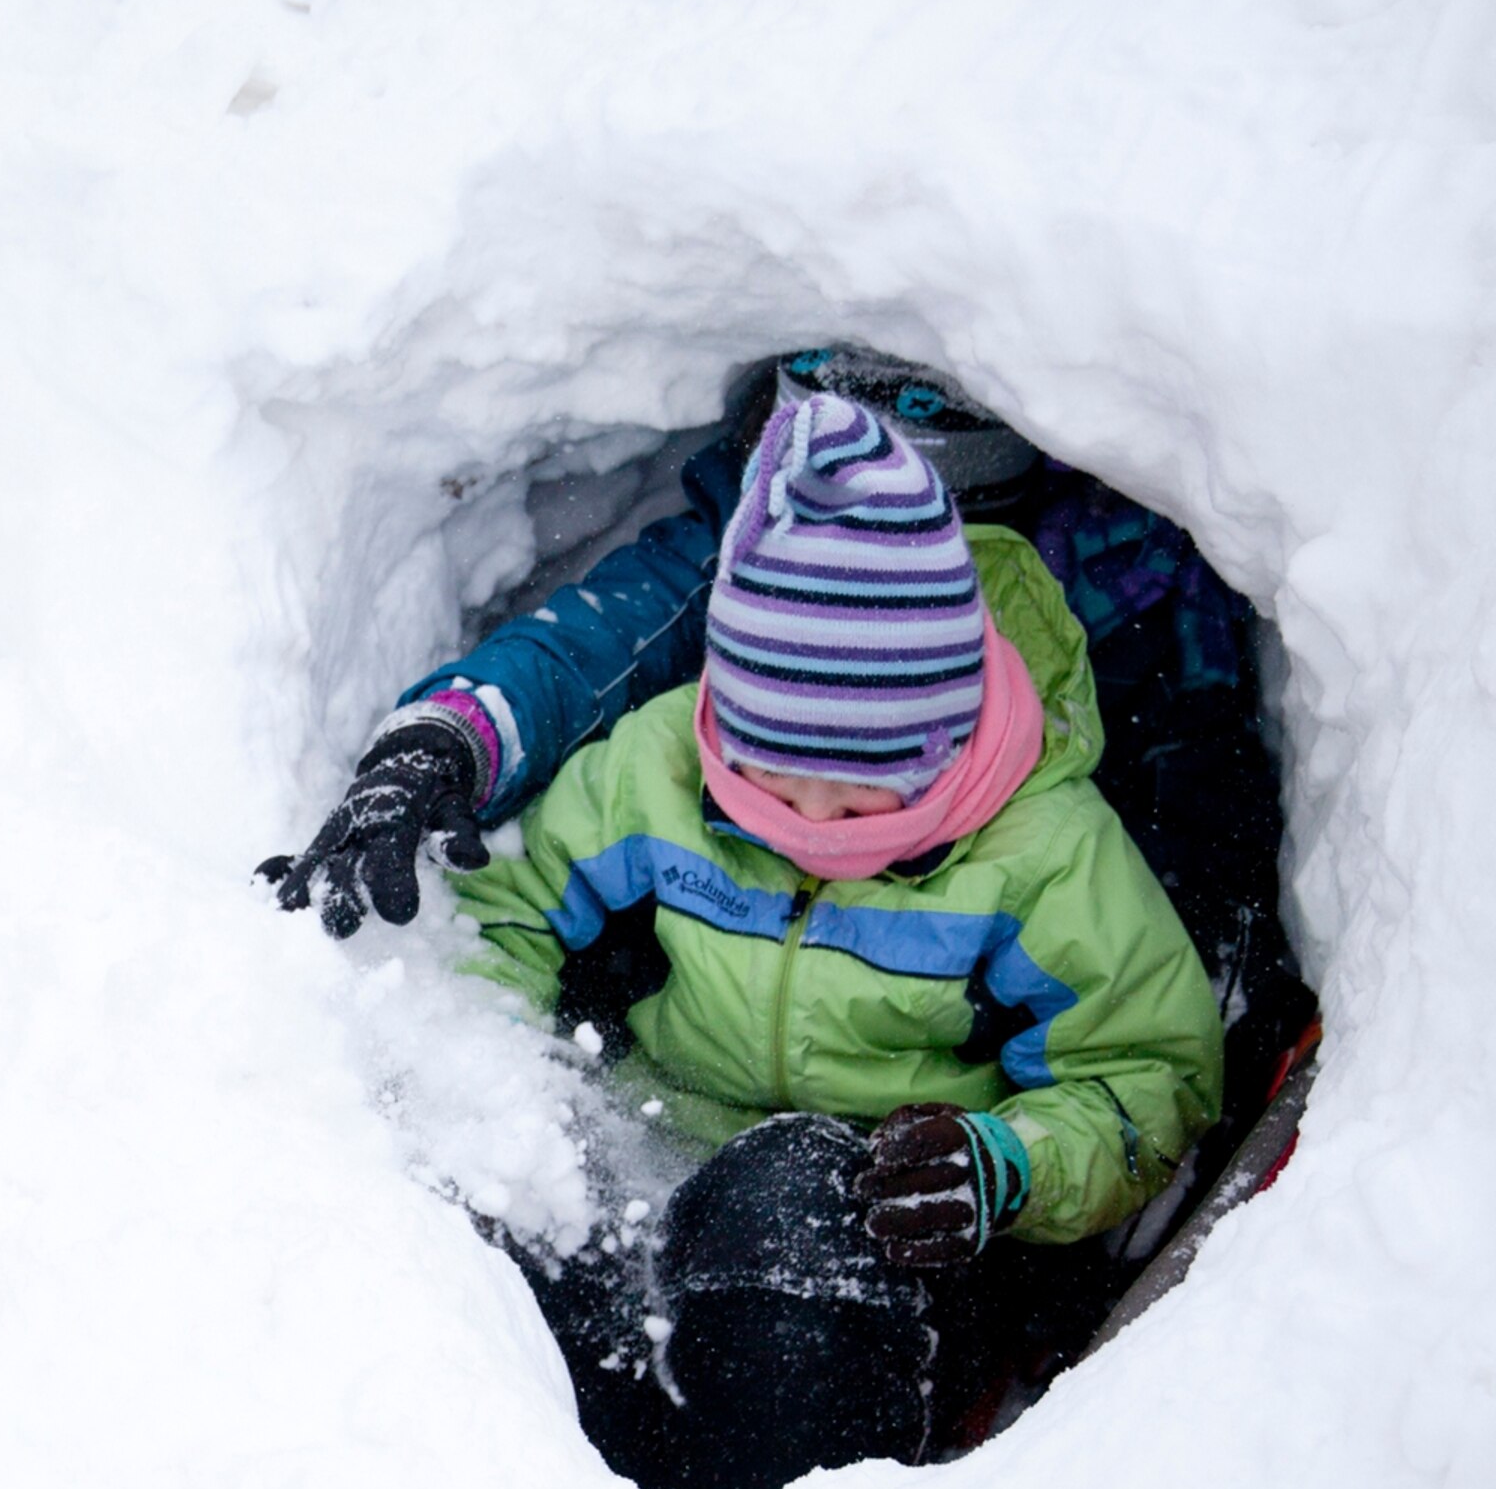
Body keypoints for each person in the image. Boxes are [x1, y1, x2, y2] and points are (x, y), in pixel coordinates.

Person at [325, 390, 1225, 1489]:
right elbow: (511, 906)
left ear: (940, 741)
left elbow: (1153, 1077)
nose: (803, 822)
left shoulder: (1045, 856)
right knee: (522, 1219)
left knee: (790, 1198)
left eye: (854, 799)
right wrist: (507, 1080)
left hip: (895, 1236)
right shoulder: (657, 772)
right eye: (764, 779)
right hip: (663, 1173)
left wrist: (1007, 1163)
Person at [260, 347, 1307, 1121]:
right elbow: (612, 635)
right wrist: (448, 740)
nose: (808, 819)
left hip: (921, 1134)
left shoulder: (1104, 641)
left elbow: (1133, 985)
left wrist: (1037, 1154)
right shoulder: (746, 599)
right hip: (693, 1096)